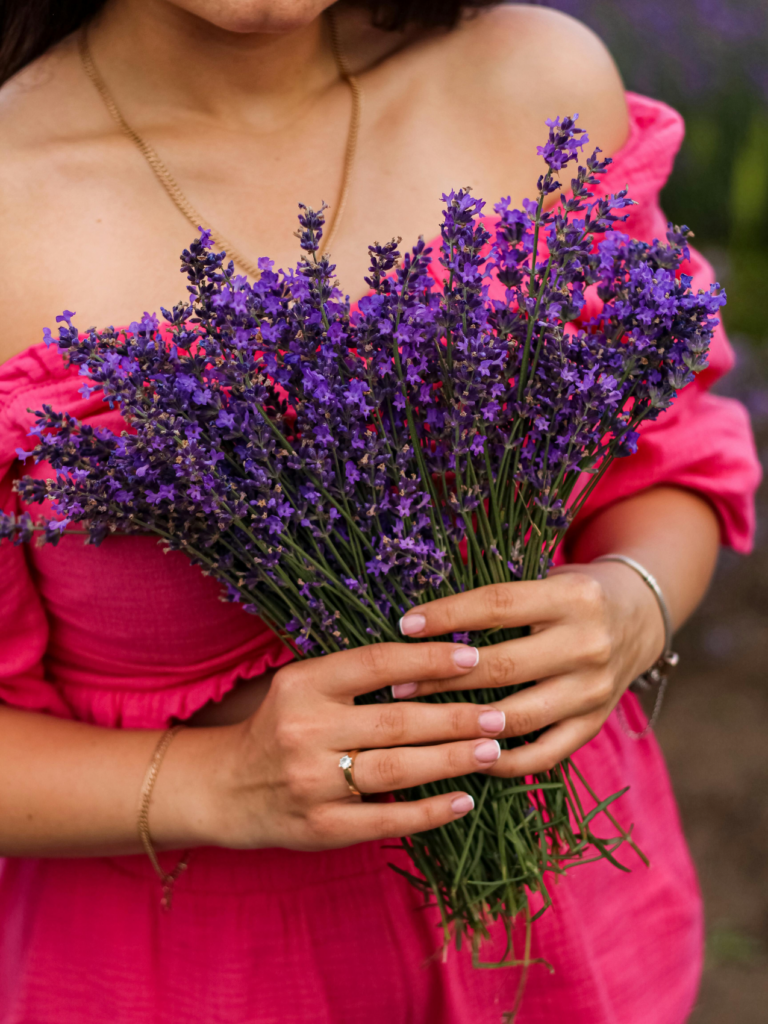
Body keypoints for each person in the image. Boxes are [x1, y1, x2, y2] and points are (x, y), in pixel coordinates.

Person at [0, 2, 759, 1021]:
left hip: (570, 931)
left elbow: (671, 450)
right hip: (187, 970)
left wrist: (632, 602)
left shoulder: (531, 80)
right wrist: (216, 780)